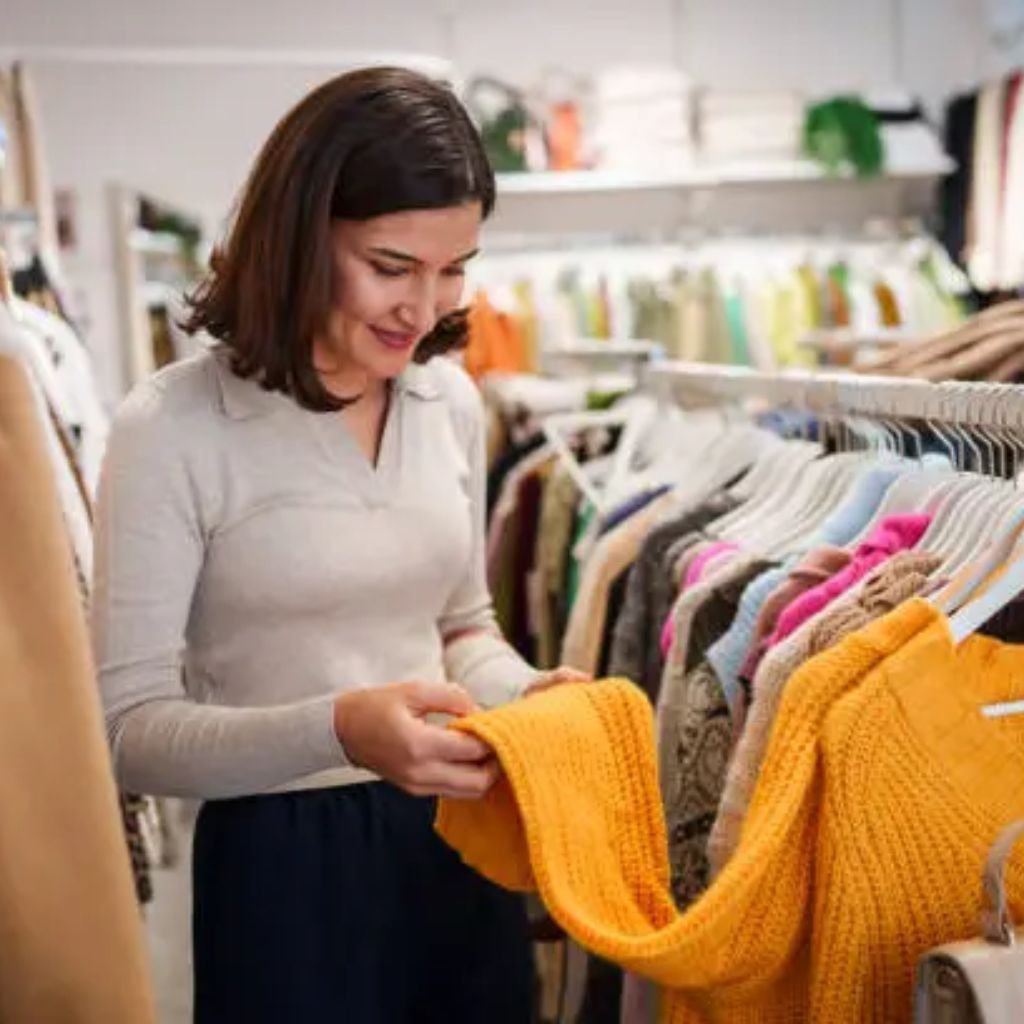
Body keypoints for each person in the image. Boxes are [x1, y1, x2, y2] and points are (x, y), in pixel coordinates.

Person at [91, 66, 585, 1023]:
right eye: (392, 266)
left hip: (458, 839)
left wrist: (527, 694)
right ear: (298, 236)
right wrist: (338, 730)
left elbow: (459, 623)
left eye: (455, 269)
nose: (427, 306)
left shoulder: (447, 402)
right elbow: (128, 735)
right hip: (282, 874)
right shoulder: (174, 427)